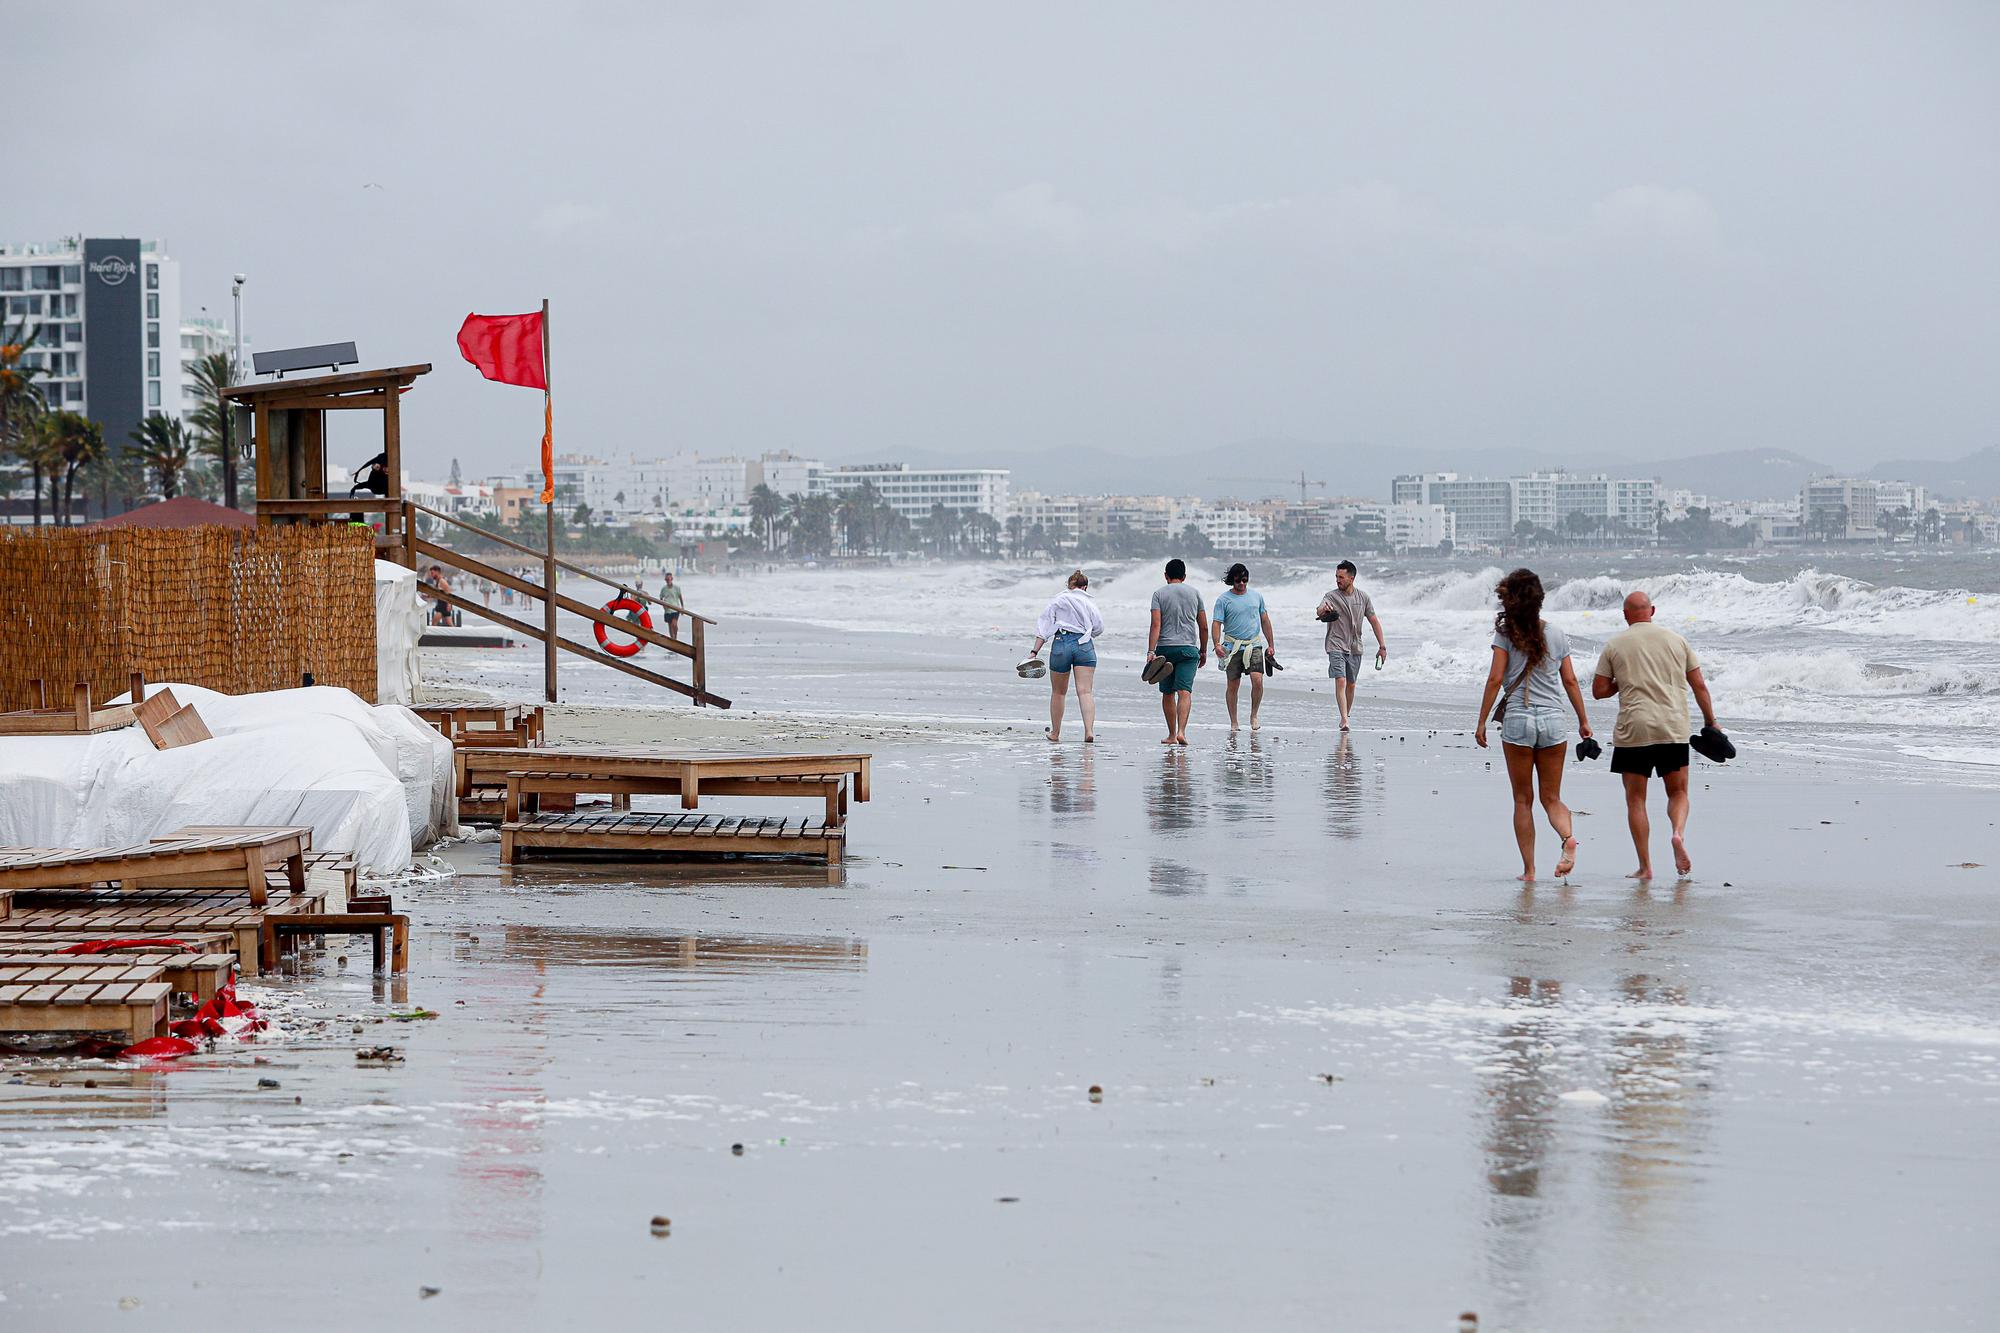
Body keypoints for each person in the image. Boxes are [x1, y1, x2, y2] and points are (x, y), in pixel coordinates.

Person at [1474, 569, 1594, 882]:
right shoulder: (1556, 633)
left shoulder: (1505, 634)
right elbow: (1569, 680)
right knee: (1551, 798)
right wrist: (1583, 721)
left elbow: (1495, 679)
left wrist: (1482, 721)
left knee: (1522, 800)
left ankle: (1529, 871)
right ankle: (1568, 838)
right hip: (1553, 720)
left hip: (1519, 719)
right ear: (1539, 598)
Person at [1593, 590, 1718, 880]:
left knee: (1635, 800)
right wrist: (1712, 722)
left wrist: (1622, 682)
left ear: (1625, 615)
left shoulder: (1615, 645)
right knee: (1678, 792)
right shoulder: (1677, 641)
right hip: (1672, 728)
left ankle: (1645, 867)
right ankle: (1677, 834)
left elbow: (1599, 691)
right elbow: (1699, 686)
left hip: (1633, 730)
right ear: (1653, 610)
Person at [1030, 570, 1104, 743]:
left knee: (1058, 693)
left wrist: (1034, 652)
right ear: (1085, 587)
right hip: (1084, 646)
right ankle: (1089, 731)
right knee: (1085, 691)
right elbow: (1099, 628)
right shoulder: (1089, 603)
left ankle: (1055, 733)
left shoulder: (1058, 600)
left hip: (1061, 643)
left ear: (1069, 585)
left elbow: (1044, 628)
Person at [1315, 559, 1386, 732]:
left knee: (1351, 684)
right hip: (1336, 644)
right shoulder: (1331, 596)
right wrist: (1324, 611)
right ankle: (1344, 719)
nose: (1338, 580)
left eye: (1341, 577)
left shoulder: (1363, 598)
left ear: (1351, 578)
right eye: (1336, 577)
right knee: (1341, 680)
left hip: (1355, 646)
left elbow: (1374, 620)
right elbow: (1319, 609)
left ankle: (1345, 715)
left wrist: (1382, 646)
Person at [1147, 558, 1208, 746]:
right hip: (1188, 650)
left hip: (1165, 650)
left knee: (1167, 693)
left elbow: (1156, 624)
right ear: (1184, 576)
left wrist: (1151, 651)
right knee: (1184, 691)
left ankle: (1172, 735)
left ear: (1166, 576)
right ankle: (1182, 731)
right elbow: (1203, 627)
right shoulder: (1195, 593)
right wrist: (1204, 651)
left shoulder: (1159, 594)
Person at [1213, 562, 1276, 733]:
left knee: (1257, 680)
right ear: (1231, 580)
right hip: (1232, 647)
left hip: (1253, 644)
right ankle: (1234, 721)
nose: (1241, 583)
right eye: (1238, 580)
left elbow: (1265, 621)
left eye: (1244, 580)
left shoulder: (1256, 596)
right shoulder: (1223, 600)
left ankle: (1254, 715)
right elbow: (1216, 624)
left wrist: (1271, 645)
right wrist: (1216, 644)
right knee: (1233, 685)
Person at [659, 572, 685, 638]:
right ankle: (672, 638)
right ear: (665, 580)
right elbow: (661, 598)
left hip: (675, 608)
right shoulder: (663, 589)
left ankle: (675, 637)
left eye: (669, 579)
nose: (668, 580)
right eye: (667, 579)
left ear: (672, 579)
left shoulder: (676, 588)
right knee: (670, 625)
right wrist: (663, 605)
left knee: (674, 624)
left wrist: (682, 607)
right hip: (667, 610)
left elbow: (680, 597)